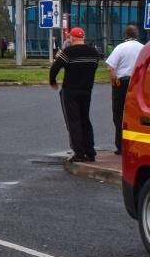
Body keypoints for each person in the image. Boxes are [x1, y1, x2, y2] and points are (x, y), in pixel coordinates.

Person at [50, 26, 100, 162]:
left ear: (71, 38)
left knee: (73, 121)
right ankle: (90, 152)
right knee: (85, 120)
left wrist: (52, 81)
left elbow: (55, 68)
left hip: (70, 90)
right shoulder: (93, 52)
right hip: (86, 90)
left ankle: (79, 153)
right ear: (83, 37)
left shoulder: (68, 51)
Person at [106, 24, 143, 155]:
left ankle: (121, 146)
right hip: (138, 84)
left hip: (122, 83)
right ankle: (137, 146)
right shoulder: (143, 48)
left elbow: (110, 68)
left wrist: (113, 82)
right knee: (136, 115)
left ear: (125, 35)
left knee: (118, 114)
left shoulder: (120, 48)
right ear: (137, 35)